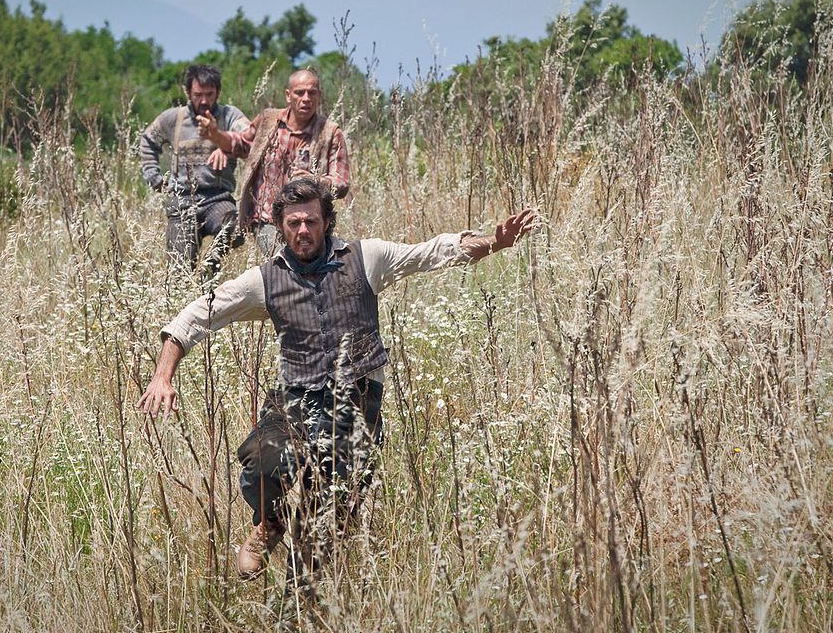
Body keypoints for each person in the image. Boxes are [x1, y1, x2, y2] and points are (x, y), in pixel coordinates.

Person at [138, 177, 537, 591]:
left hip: (355, 404)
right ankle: (271, 522)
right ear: (280, 227)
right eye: (293, 223)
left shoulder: (367, 258)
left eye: (311, 221)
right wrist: (163, 375)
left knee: (324, 525)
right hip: (295, 397)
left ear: (327, 222)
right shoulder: (264, 280)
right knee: (261, 462)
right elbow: (195, 317)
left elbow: (432, 252)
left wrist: (495, 242)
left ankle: (299, 609)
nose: (303, 230)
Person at [140, 64, 250, 275]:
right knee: (179, 271)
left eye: (209, 94)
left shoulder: (229, 116)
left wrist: (226, 147)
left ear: (218, 92)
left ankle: (210, 268)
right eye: (198, 95)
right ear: (187, 92)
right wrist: (154, 177)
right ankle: (189, 285)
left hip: (218, 197)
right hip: (182, 199)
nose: (204, 101)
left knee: (237, 229)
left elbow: (250, 138)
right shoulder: (174, 118)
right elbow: (147, 140)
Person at [231, 69, 351, 256]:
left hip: (306, 222)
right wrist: (216, 137)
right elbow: (241, 145)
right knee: (287, 260)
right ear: (288, 95)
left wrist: (316, 181)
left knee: (332, 261)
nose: (306, 99)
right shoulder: (268, 121)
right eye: (299, 93)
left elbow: (342, 184)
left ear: (319, 95)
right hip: (266, 220)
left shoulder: (330, 133)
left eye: (312, 93)